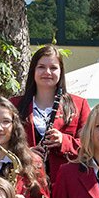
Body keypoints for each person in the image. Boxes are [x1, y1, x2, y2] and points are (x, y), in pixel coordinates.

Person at [12, 44, 89, 180]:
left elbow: (91, 145)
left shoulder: (79, 105)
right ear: (33, 71)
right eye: (41, 67)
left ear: (61, 71)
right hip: (27, 181)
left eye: (53, 68)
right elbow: (2, 143)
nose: (47, 72)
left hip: (66, 182)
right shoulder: (14, 105)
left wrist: (64, 141)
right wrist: (24, 153)